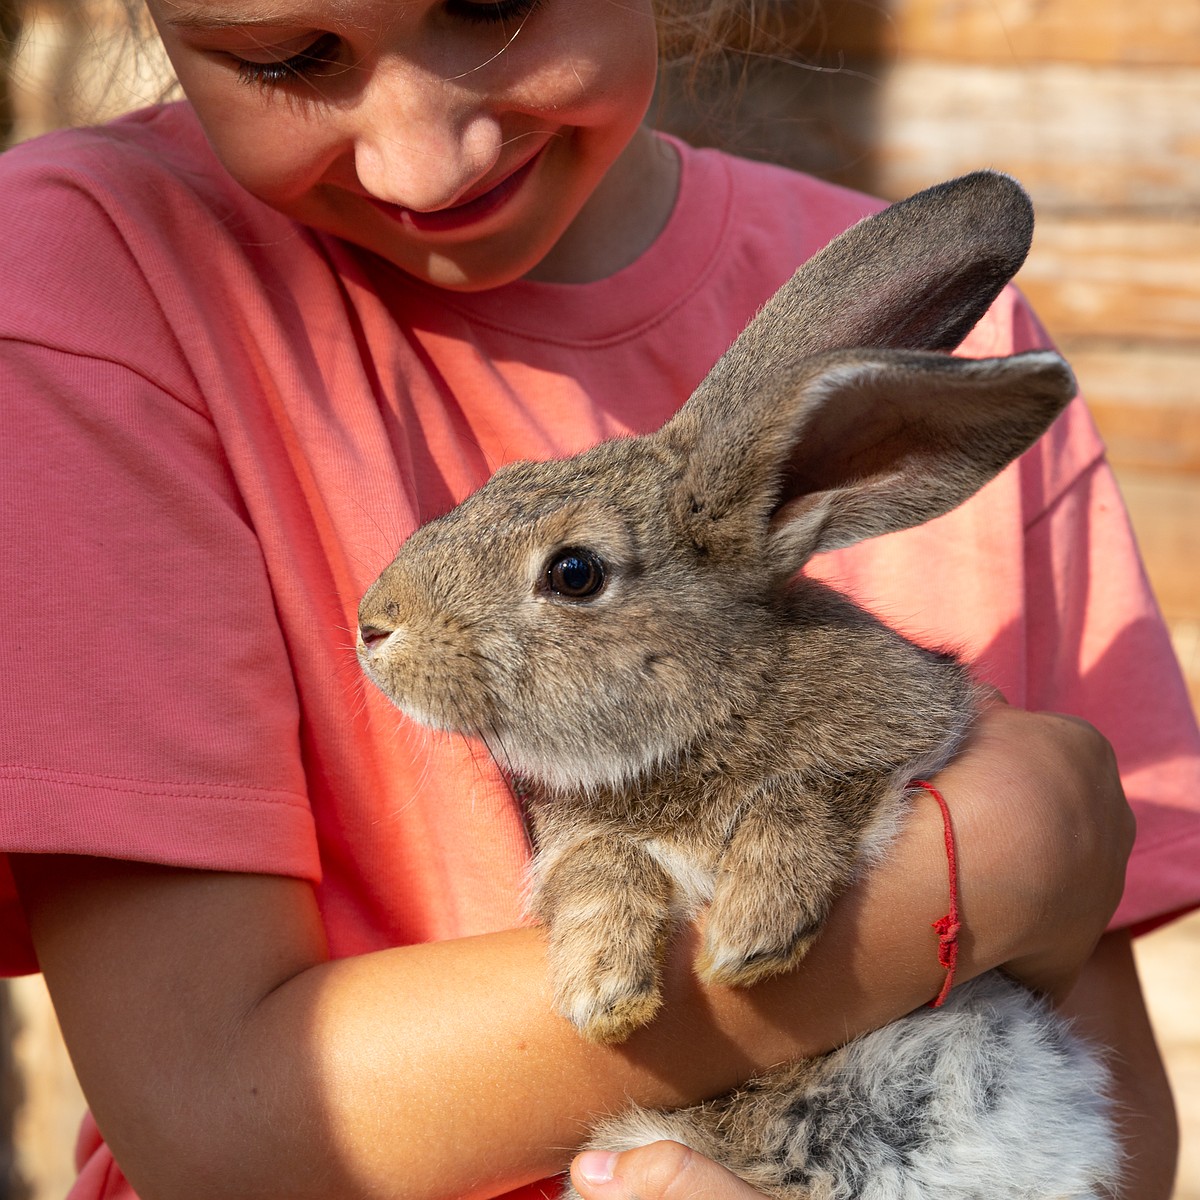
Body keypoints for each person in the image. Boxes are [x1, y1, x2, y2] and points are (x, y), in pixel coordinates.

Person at [0, 2, 1197, 1198]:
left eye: (495, 2)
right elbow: (221, 1122)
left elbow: (1104, 1131)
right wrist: (1009, 851)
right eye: (283, 57)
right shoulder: (85, 286)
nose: (426, 157)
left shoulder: (867, 453)